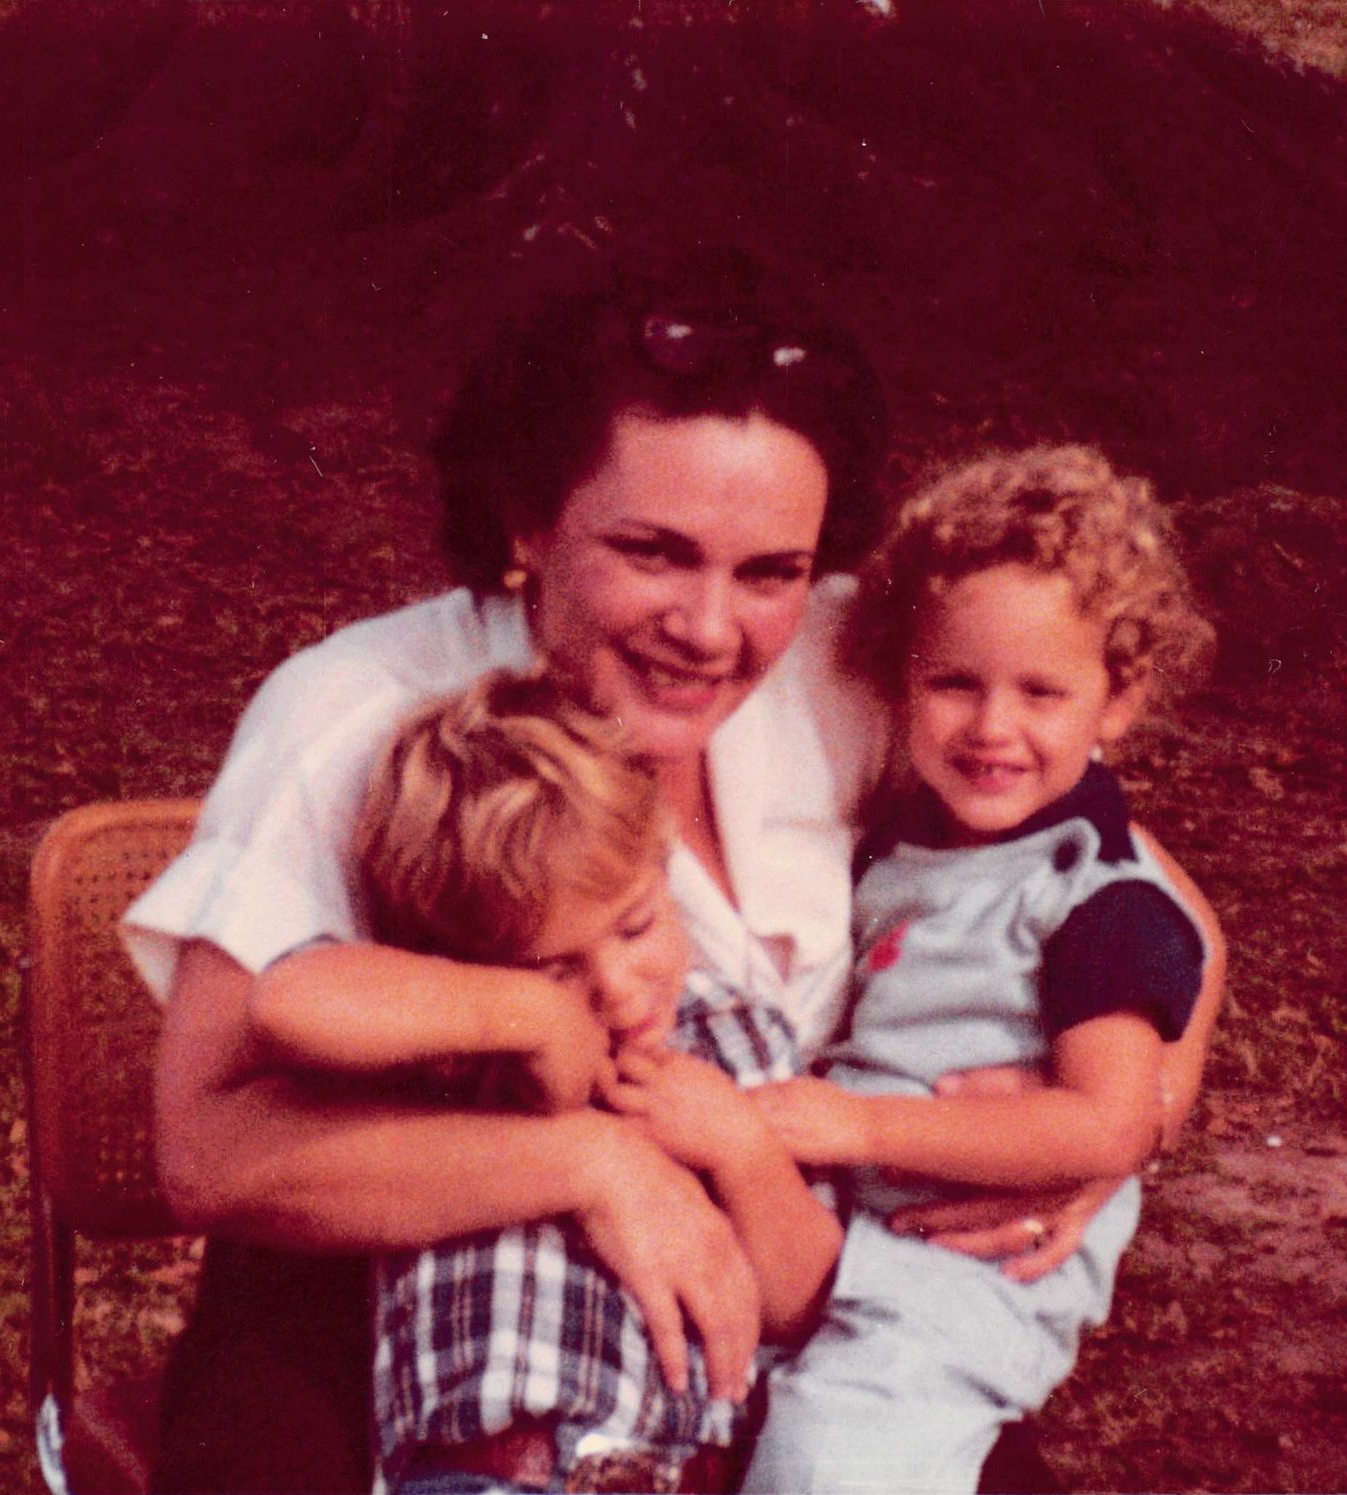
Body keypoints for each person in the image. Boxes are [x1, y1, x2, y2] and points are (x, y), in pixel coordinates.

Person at [121, 247, 1225, 1492]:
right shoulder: (361, 709)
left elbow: (1158, 903)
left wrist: (1106, 1139)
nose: (711, 629)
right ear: (527, 521)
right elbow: (205, 1148)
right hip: (402, 1285)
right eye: (654, 551)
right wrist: (592, 1162)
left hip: (768, 1284)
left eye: (770, 571)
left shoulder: (840, 669)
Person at [739, 446, 1216, 1494]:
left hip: (967, 1278)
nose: (992, 727)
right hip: (852, 1239)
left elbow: (1107, 1122)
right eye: (953, 682)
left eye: (1041, 692)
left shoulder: (1097, 898)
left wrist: (857, 1126)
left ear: (1118, 700)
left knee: (828, 1465)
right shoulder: (912, 843)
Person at [290, 668, 840, 1493]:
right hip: (490, 1472)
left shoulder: (738, 1034)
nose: (616, 988)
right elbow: (289, 1002)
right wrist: (528, 1014)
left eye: (636, 924)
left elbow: (808, 1304)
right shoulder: (459, 1054)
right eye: (552, 967)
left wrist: (746, 1153)